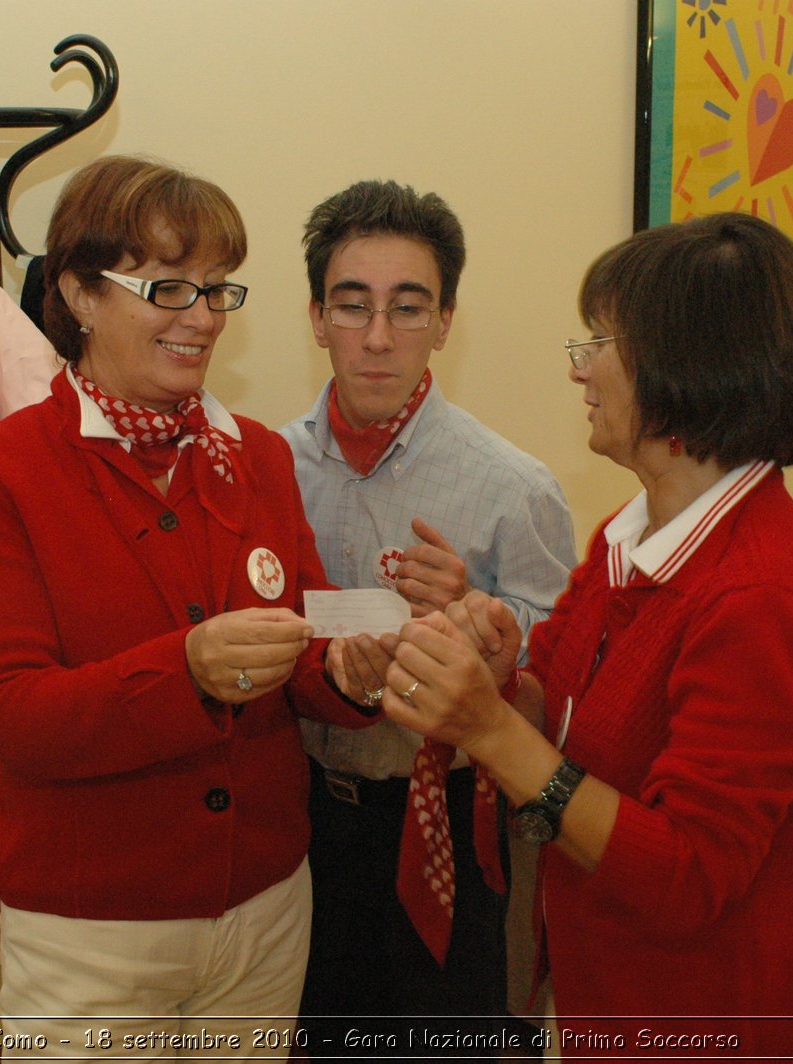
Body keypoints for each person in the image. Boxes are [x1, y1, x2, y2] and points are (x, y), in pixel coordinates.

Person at [0, 155, 374, 1057]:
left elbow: (302, 651)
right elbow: (10, 714)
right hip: (92, 930)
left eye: (217, 289)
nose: (203, 317)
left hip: (265, 904)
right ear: (80, 294)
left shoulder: (253, 454)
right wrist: (189, 671)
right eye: (168, 286)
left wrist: (354, 671)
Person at [377, 212, 793, 1060]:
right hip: (597, 987)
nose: (579, 368)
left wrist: (485, 729)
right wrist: (499, 677)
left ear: (686, 368)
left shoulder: (756, 595)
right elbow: (552, 708)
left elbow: (687, 877)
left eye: (600, 342)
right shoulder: (630, 534)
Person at [280, 180, 575, 1056]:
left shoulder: (511, 487)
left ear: (446, 320)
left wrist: (490, 639)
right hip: (299, 821)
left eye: (408, 308)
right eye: (352, 306)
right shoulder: (268, 468)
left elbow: (558, 700)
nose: (377, 339)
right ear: (314, 315)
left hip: (440, 818)